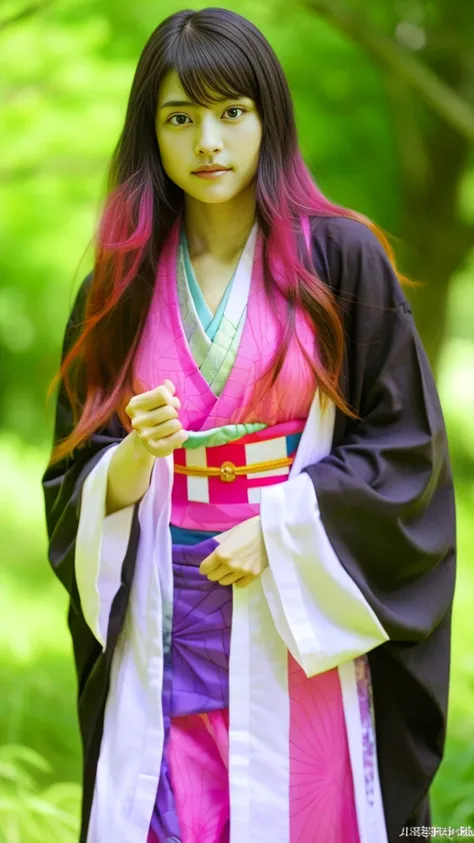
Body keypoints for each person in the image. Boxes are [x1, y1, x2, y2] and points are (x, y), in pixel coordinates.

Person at [41, 7, 456, 843]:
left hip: (297, 601)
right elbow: (74, 468)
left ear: (269, 116)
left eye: (233, 112)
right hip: (166, 604)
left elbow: (406, 447)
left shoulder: (337, 258)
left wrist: (282, 527)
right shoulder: (118, 285)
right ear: (149, 134)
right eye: (180, 117)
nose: (209, 142)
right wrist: (132, 459)